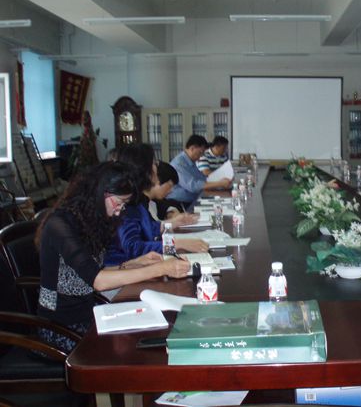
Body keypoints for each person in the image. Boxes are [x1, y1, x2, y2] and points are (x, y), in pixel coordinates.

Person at [36, 162, 191, 352]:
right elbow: (98, 281)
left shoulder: (90, 219)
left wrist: (131, 264)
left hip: (89, 312)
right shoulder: (60, 225)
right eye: (118, 203)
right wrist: (160, 268)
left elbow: (92, 271)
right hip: (61, 326)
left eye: (123, 205)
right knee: (136, 348)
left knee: (155, 333)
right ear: (100, 193)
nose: (119, 211)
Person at [107, 145, 207, 267]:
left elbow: (147, 227)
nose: (156, 166)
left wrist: (173, 223)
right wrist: (177, 244)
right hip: (122, 271)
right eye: (154, 163)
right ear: (143, 169)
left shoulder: (138, 199)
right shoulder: (125, 204)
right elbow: (133, 248)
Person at [167, 135, 232, 210]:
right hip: (180, 204)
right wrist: (219, 183)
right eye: (200, 152)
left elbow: (201, 178)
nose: (201, 156)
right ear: (192, 148)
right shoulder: (179, 164)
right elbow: (193, 186)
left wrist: (220, 182)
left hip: (193, 199)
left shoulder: (190, 161)